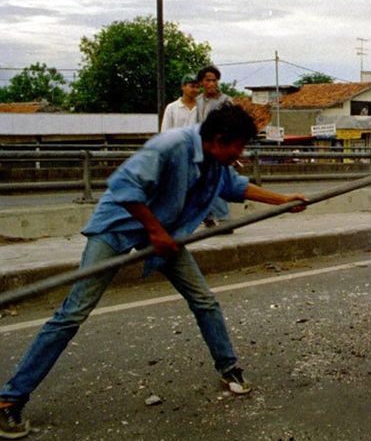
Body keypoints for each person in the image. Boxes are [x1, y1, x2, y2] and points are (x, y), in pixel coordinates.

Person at [0, 104, 307, 439]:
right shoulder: (171, 145)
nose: (241, 152)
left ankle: (228, 367)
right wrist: (155, 231)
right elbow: (123, 185)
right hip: (118, 227)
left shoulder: (216, 161)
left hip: (166, 232)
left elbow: (235, 187)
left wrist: (283, 201)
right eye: (239, 145)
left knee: (204, 300)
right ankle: (10, 399)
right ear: (220, 139)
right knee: (72, 314)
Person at [196, 65, 233, 227]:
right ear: (202, 82)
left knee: (216, 180)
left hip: (218, 146)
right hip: (200, 145)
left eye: (214, 80)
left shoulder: (225, 101)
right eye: (207, 80)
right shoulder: (197, 101)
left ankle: (223, 218)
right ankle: (208, 216)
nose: (211, 83)